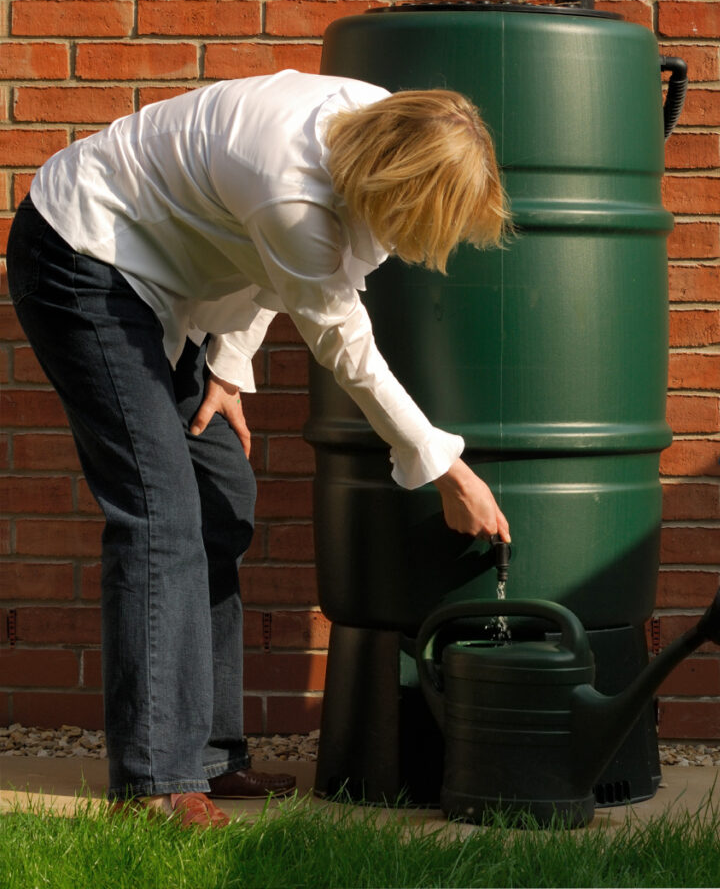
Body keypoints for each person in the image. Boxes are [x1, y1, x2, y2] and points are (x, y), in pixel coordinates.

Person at [7, 69, 511, 829]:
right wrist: (447, 469)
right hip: (86, 259)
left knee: (219, 500)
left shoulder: (370, 120)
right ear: (397, 182)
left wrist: (228, 370)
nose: (416, 246)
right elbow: (341, 337)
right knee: (159, 513)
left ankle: (207, 756)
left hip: (164, 282)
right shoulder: (292, 188)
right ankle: (155, 784)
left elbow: (263, 262)